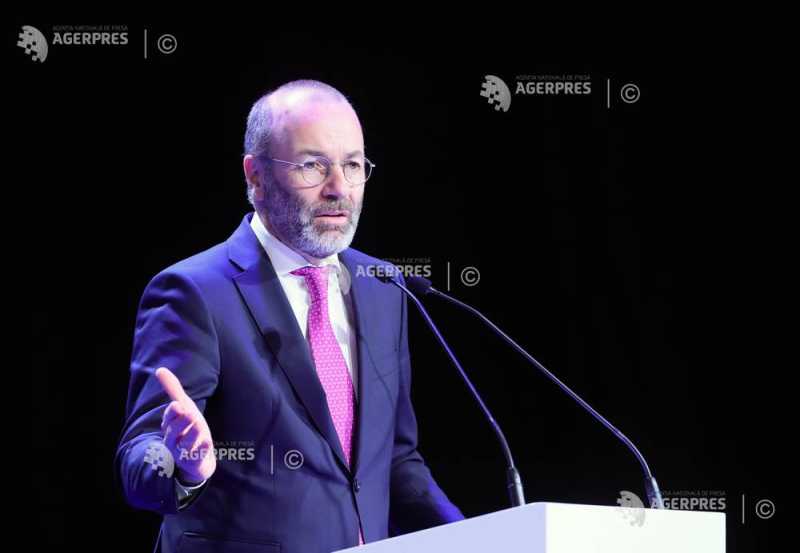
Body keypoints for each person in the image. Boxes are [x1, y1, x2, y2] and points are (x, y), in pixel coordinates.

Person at [116, 79, 464, 553]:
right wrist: (183, 467)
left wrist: (478, 535)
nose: (338, 188)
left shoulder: (382, 286)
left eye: (352, 165)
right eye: (312, 165)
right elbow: (139, 457)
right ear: (256, 175)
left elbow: (397, 461)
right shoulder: (194, 292)